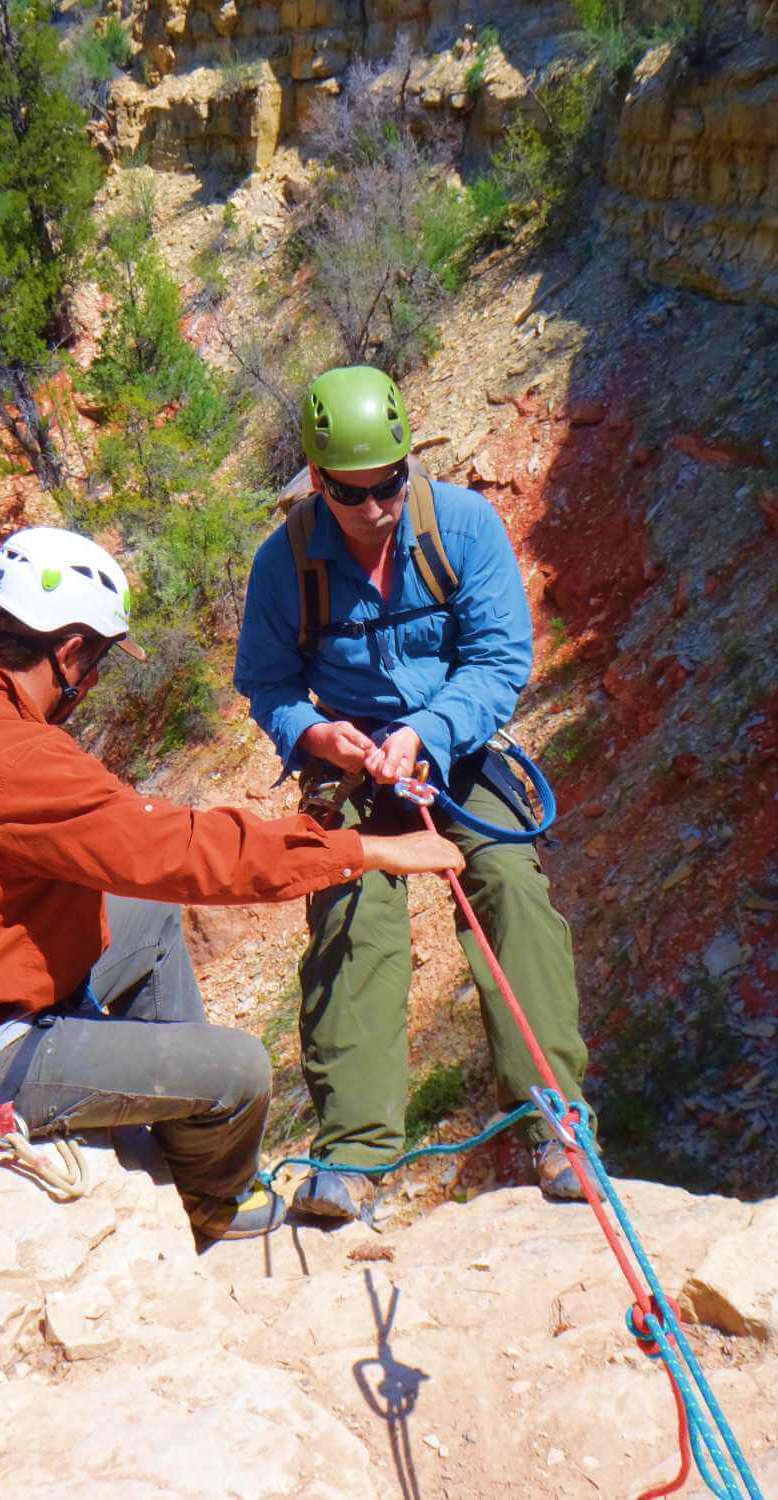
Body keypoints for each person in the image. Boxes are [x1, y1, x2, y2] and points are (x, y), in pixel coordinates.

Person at [0, 525, 463, 1241]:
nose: (97, 677)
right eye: (100, 659)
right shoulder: (19, 761)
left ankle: (171, 1120)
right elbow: (186, 851)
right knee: (240, 1071)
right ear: (69, 651)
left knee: (145, 918)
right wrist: (364, 849)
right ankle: (212, 1199)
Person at [234, 365, 598, 1221]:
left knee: (510, 884)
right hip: (354, 759)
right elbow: (268, 682)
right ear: (318, 483)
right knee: (354, 905)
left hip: (456, 746)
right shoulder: (286, 563)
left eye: (390, 486)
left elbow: (501, 661)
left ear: (409, 465)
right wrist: (315, 735)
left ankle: (558, 1128)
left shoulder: (463, 527)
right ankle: (355, 1152)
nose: (375, 510)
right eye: (352, 495)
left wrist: (429, 732)